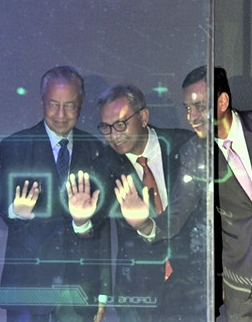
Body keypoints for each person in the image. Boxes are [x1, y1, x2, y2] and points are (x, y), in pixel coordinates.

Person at [116, 65, 252, 321]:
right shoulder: (194, 154)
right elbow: (177, 214)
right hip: (241, 274)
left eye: (199, 106)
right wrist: (144, 224)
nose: (191, 117)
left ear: (222, 101)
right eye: (187, 108)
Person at [0, 65, 108, 322]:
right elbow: (1, 194)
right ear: (42, 102)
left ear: (80, 105)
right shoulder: (16, 145)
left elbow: (101, 228)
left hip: (78, 289)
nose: (61, 114)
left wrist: (102, 291)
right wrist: (15, 211)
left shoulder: (95, 149)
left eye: (69, 106)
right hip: (29, 287)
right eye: (54, 104)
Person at [73, 83, 193, 321]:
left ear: (144, 117)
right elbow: (93, 230)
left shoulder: (184, 144)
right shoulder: (105, 164)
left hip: (192, 281)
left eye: (120, 124)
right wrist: (81, 221)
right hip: (138, 290)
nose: (114, 135)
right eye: (106, 127)